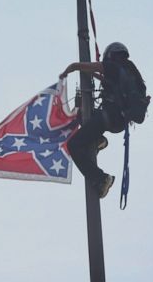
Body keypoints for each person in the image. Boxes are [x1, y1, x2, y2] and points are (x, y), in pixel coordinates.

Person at [59, 42, 146, 198]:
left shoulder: (115, 68)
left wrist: (73, 66)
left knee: (74, 145)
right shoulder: (128, 73)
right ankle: (99, 139)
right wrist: (88, 73)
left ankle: (101, 178)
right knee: (81, 112)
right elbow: (106, 79)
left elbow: (96, 67)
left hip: (109, 116)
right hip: (117, 119)